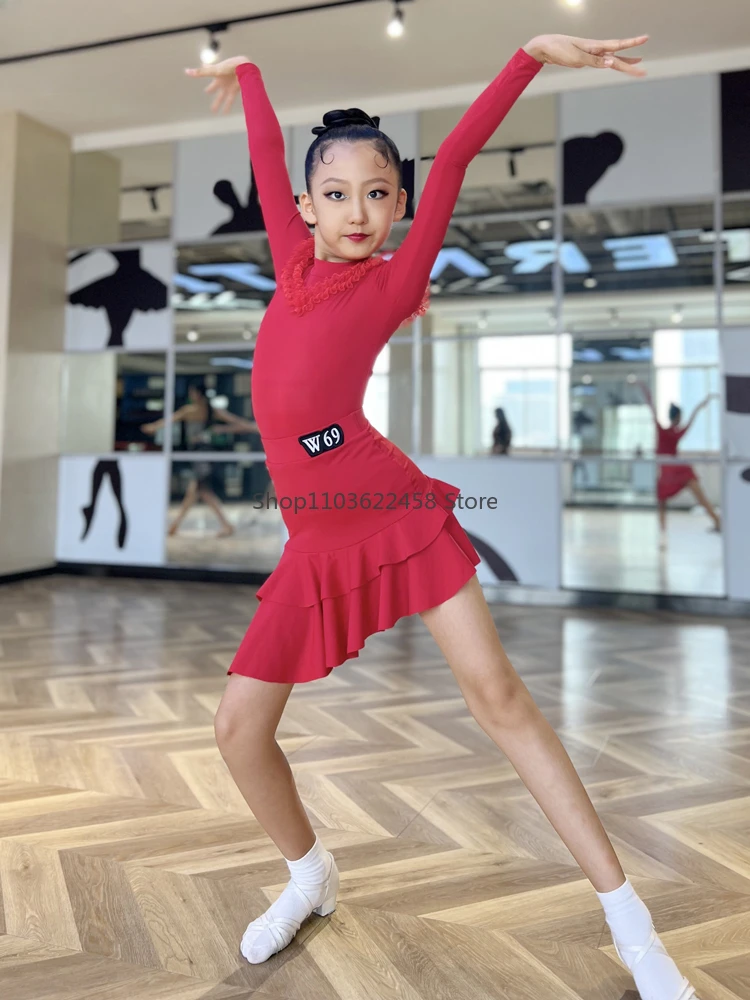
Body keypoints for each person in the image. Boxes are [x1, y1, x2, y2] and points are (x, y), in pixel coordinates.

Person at [187, 34, 699, 1000]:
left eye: (379, 193)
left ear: (401, 208)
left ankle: (633, 929)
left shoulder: (395, 278)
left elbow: (457, 152)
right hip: (314, 536)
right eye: (335, 193)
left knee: (498, 698)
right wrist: (248, 72)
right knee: (236, 731)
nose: (358, 211)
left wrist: (529, 58)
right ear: (303, 207)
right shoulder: (289, 259)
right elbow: (263, 147)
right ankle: (309, 874)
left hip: (389, 507)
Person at [142, 380, 258, 537]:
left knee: (202, 490)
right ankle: (176, 526)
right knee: (195, 490)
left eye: (192, 392)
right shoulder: (210, 410)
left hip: (201, 455)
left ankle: (224, 524)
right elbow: (237, 422)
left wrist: (153, 427)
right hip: (204, 455)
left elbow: (169, 420)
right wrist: (250, 427)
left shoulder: (191, 410)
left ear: (197, 394)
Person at [637, 381, 721, 540]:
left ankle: (664, 532)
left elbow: (652, 407)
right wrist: (642, 386)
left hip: (673, 469)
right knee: (696, 497)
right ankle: (715, 520)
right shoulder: (668, 431)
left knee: (665, 502)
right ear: (677, 417)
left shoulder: (665, 431)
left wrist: (643, 387)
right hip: (673, 469)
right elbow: (653, 408)